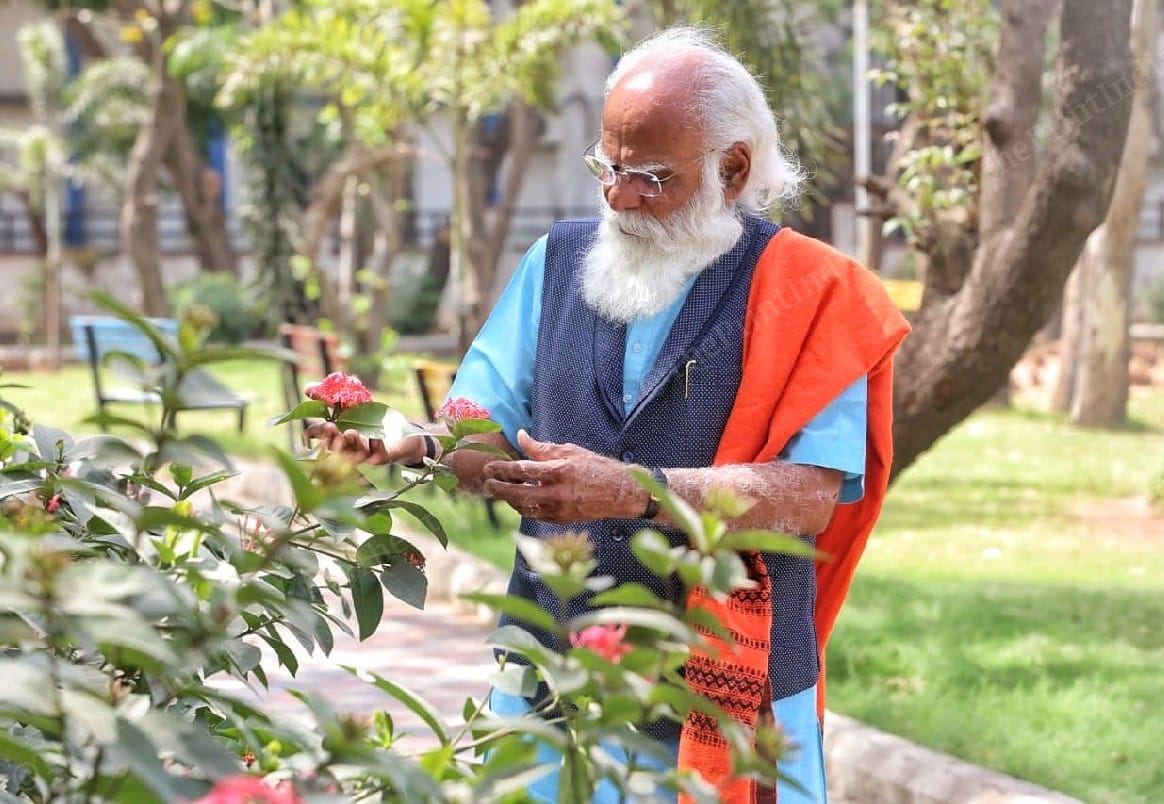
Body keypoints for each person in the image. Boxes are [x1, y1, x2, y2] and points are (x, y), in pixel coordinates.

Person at [308, 26, 910, 804]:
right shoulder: (553, 262)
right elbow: (480, 428)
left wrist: (635, 491)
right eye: (608, 166)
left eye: (651, 177)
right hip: (549, 682)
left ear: (731, 169)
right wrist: (409, 444)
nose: (620, 197)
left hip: (730, 696)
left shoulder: (816, 292)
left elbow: (807, 493)